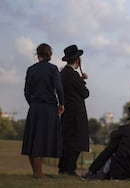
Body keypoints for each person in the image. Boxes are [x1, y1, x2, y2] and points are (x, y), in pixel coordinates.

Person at [21, 43, 65, 178]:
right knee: (42, 140)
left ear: (37, 54)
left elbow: (26, 91)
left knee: (33, 140)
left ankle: (37, 172)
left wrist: (32, 104)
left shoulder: (31, 69)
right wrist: (61, 103)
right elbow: (59, 88)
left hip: (35, 107)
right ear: (49, 54)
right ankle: (38, 174)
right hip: (49, 108)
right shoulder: (53, 69)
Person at [58, 44, 90, 176]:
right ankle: (70, 169)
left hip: (67, 113)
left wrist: (80, 79)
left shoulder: (63, 73)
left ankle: (64, 168)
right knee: (75, 143)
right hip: (76, 114)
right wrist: (82, 81)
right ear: (77, 60)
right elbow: (85, 93)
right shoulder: (73, 75)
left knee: (67, 141)